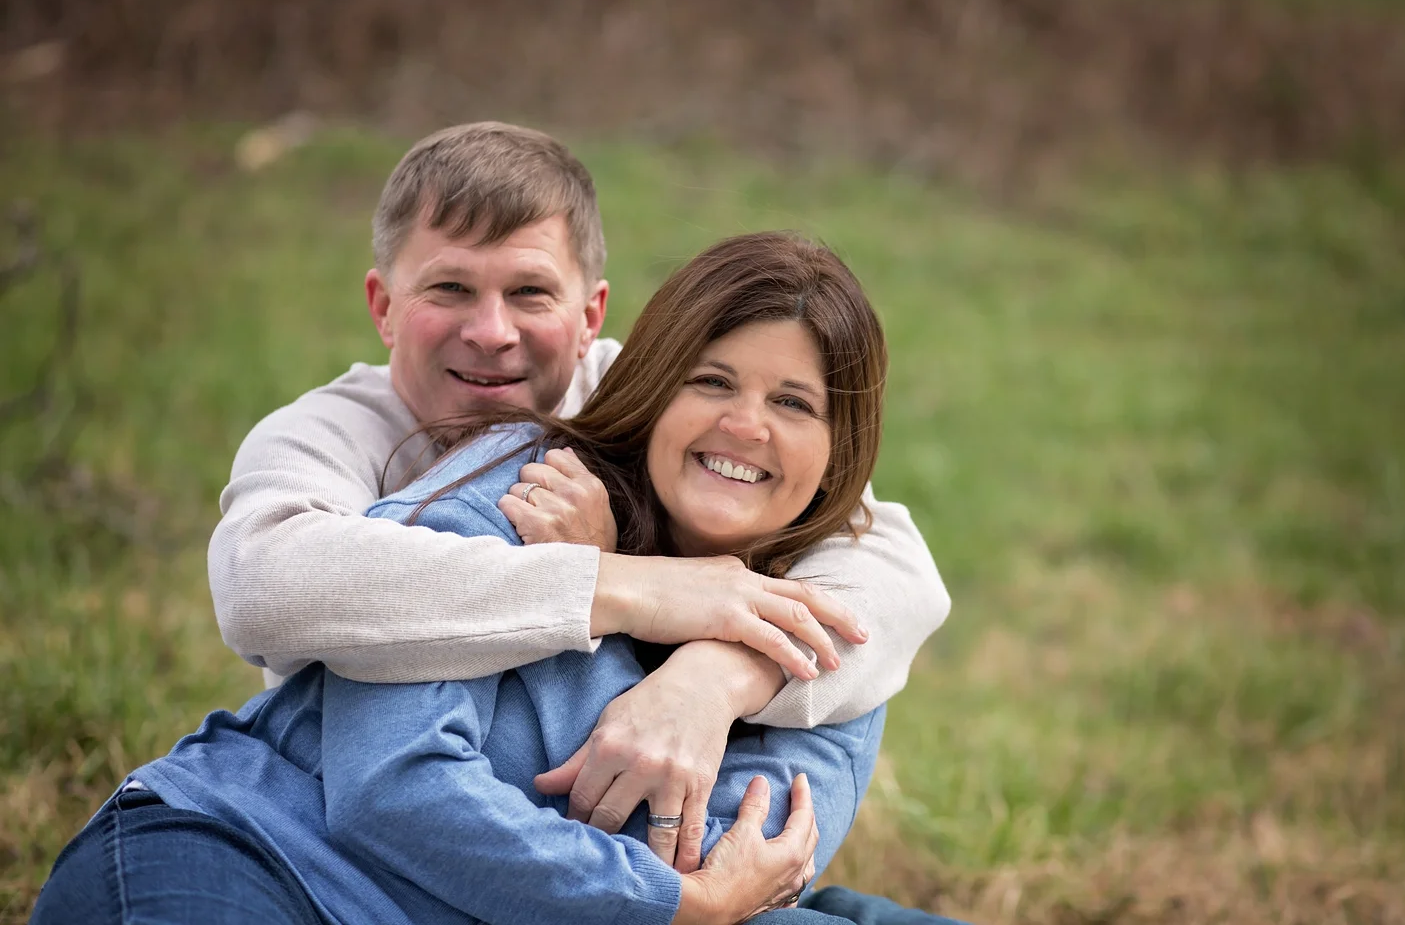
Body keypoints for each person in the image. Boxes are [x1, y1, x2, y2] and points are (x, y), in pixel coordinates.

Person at [31, 232, 958, 925]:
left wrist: (700, 666)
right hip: (259, 863)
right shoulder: (524, 484)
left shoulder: (830, 619)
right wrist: (600, 579)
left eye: (793, 403)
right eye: (711, 382)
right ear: (645, 383)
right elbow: (391, 784)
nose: (746, 427)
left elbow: (728, 863)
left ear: (841, 454)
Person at [205, 121, 950, 867]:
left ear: (591, 314)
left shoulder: (646, 399)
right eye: (450, 288)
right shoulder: (328, 434)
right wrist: (625, 583)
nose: (491, 331)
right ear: (384, 306)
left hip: (561, 843)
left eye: (530, 293)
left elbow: (892, 564)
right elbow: (262, 587)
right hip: (336, 818)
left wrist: (721, 674)